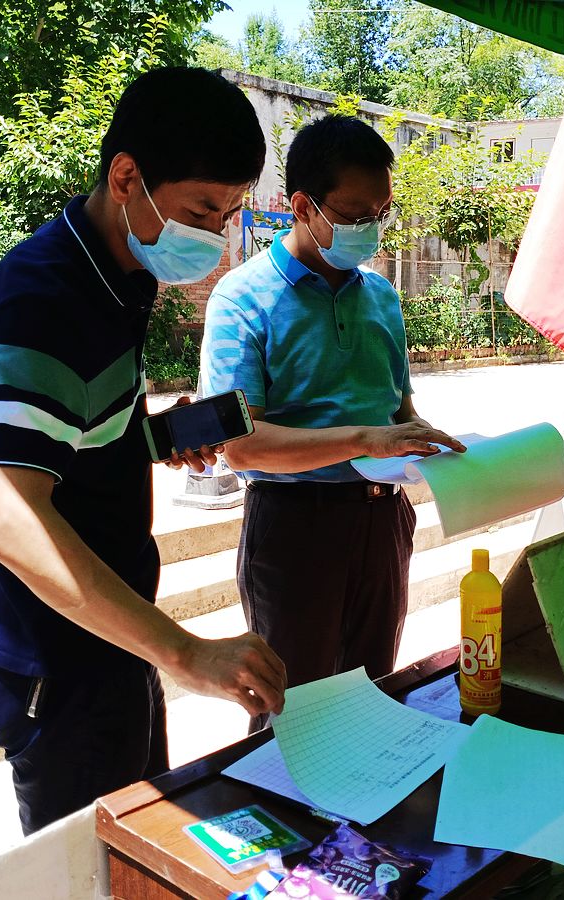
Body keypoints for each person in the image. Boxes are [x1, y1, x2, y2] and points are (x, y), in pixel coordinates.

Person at [0, 67, 286, 835]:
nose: (215, 234)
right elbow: (11, 522)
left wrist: (154, 437)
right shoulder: (45, 301)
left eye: (229, 213)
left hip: (115, 634)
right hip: (59, 664)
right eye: (201, 210)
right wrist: (187, 654)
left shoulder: (118, 272)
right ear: (128, 177)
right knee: (101, 870)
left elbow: (70, 435)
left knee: (143, 846)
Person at [198, 115, 465, 727]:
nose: (370, 228)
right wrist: (366, 440)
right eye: (353, 214)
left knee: (372, 701)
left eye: (381, 213)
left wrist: (428, 446)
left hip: (383, 522)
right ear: (302, 206)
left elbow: (399, 413)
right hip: (296, 529)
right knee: (291, 716)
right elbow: (240, 447)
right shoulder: (242, 298)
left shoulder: (382, 297)